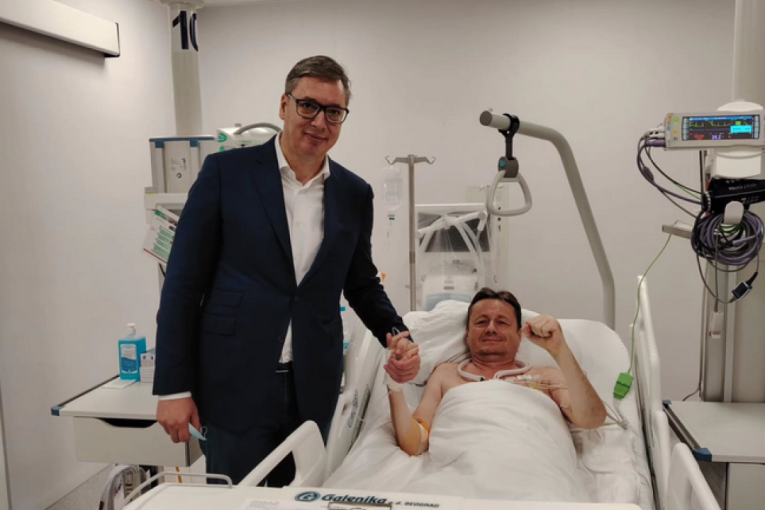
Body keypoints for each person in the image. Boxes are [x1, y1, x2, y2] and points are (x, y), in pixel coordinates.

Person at [153, 55, 420, 486]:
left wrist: (397, 334)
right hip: (234, 378)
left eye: (333, 112)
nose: (319, 122)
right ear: (284, 105)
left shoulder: (354, 194)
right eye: (308, 106)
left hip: (312, 383)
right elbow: (182, 284)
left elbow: (362, 283)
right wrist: (173, 387)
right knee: (237, 498)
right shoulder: (227, 174)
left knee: (301, 496)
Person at [388, 287, 606, 457]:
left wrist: (560, 350)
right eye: (482, 322)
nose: (491, 328)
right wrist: (394, 384)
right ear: (467, 334)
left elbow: (591, 419)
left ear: (519, 335)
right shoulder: (446, 375)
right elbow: (415, 443)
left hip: (537, 473)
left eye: (502, 322)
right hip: (460, 475)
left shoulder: (545, 377)